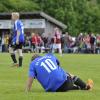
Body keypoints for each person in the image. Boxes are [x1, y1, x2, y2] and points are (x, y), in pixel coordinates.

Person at [26, 53, 93, 92]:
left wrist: (27, 90)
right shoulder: (49, 55)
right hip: (66, 83)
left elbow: (30, 79)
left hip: (52, 89)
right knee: (66, 73)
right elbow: (58, 64)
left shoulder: (32, 64)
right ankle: (86, 86)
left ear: (33, 60)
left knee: (59, 82)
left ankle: (80, 87)